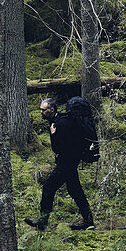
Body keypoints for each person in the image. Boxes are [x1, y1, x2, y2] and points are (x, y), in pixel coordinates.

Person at [27, 97, 94, 231]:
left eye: (43, 110)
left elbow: (58, 148)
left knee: (48, 188)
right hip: (70, 160)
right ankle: (89, 221)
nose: (41, 112)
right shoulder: (63, 120)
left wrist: (53, 134)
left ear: (51, 110)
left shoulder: (61, 123)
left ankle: (42, 222)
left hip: (67, 162)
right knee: (75, 190)